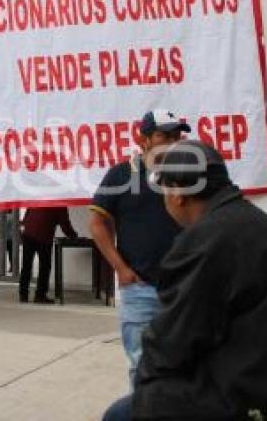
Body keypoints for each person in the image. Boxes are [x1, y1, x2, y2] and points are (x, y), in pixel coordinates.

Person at [103, 141, 267, 420]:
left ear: (176, 194)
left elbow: (170, 347)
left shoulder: (204, 242)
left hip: (252, 397)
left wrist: (146, 399)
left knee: (122, 413)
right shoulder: (259, 225)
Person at [90, 109, 187, 386]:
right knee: (142, 367)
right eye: (163, 135)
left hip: (186, 288)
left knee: (186, 365)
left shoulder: (190, 176)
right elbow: (97, 223)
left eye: (176, 135)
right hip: (141, 291)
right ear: (143, 139)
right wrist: (121, 269)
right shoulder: (121, 175)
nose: (171, 141)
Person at [18, 207, 78, 304]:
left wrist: (24, 228)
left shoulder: (39, 198)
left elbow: (27, 215)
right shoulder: (60, 204)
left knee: (26, 265)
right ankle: (40, 296)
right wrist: (73, 236)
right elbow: (65, 224)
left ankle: (23, 295)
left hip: (28, 234)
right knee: (45, 266)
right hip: (44, 236)